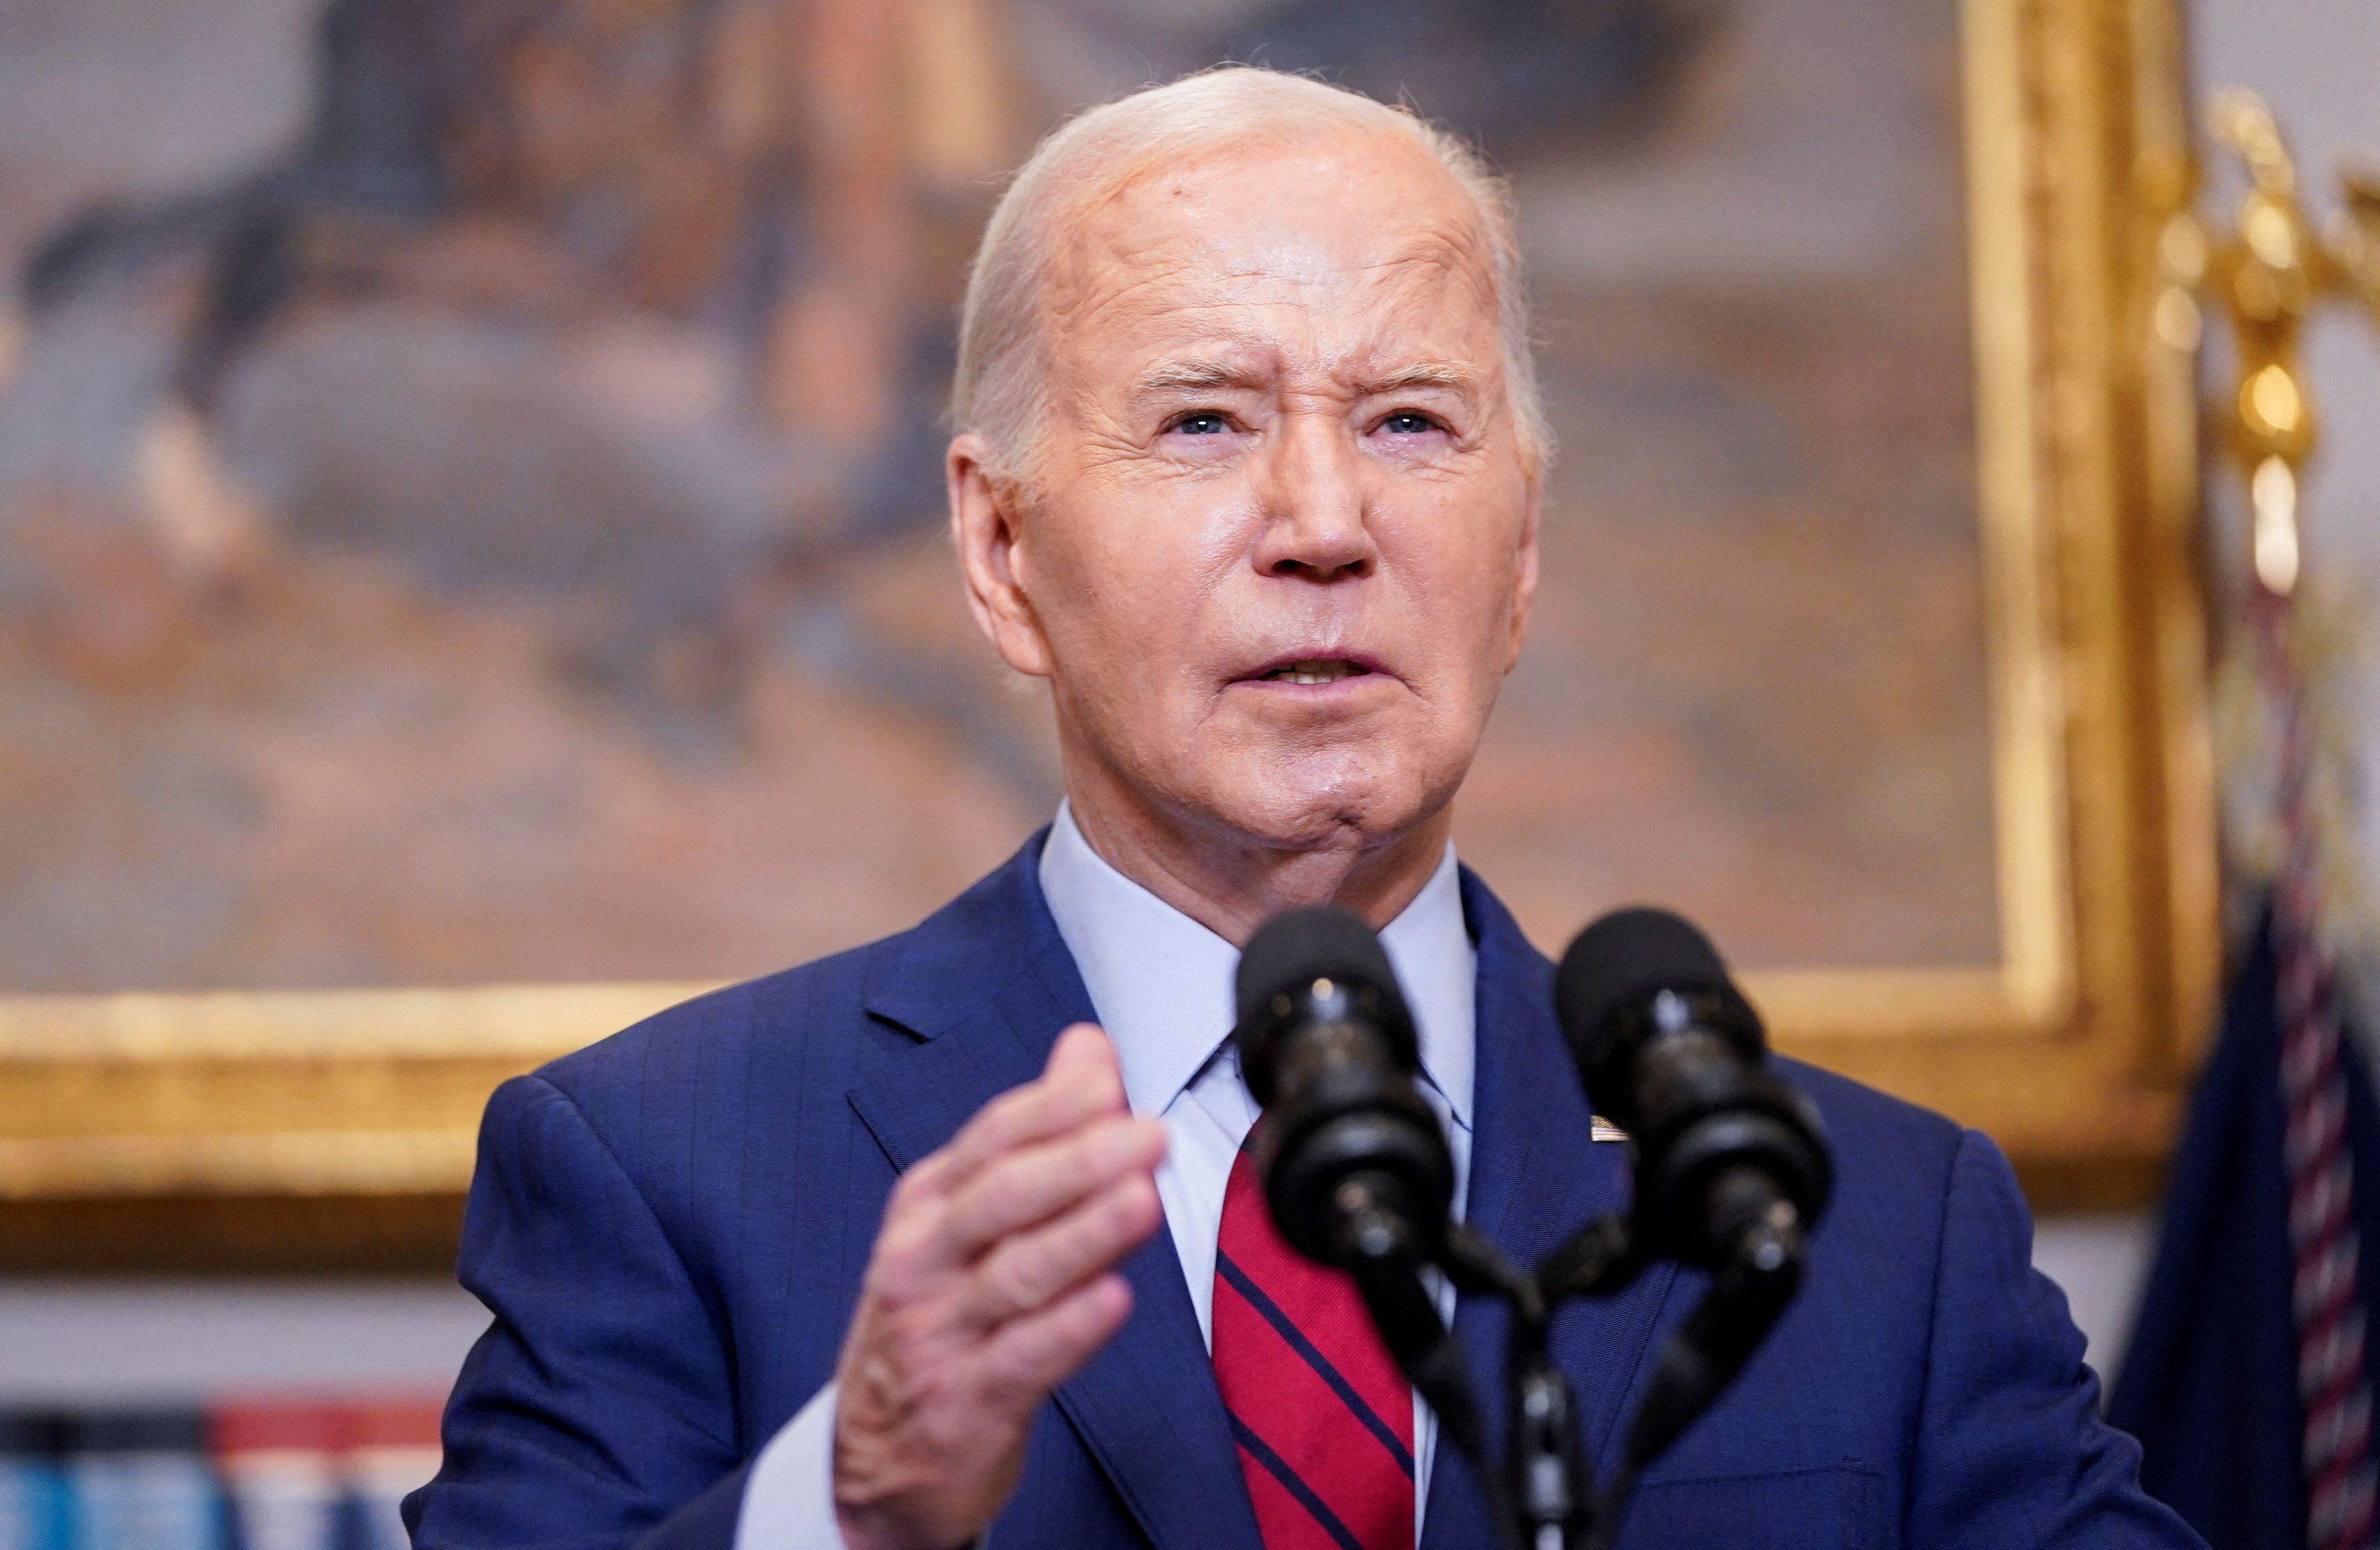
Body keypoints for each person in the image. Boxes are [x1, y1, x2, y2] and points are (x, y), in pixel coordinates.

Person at [405, 67, 2202, 1550]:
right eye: (1203, 423)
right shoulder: (671, 1171)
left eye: (1414, 422)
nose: (1325, 520)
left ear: (1519, 562)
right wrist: (850, 1505)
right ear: (1001, 546)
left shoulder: (1872, 1224)